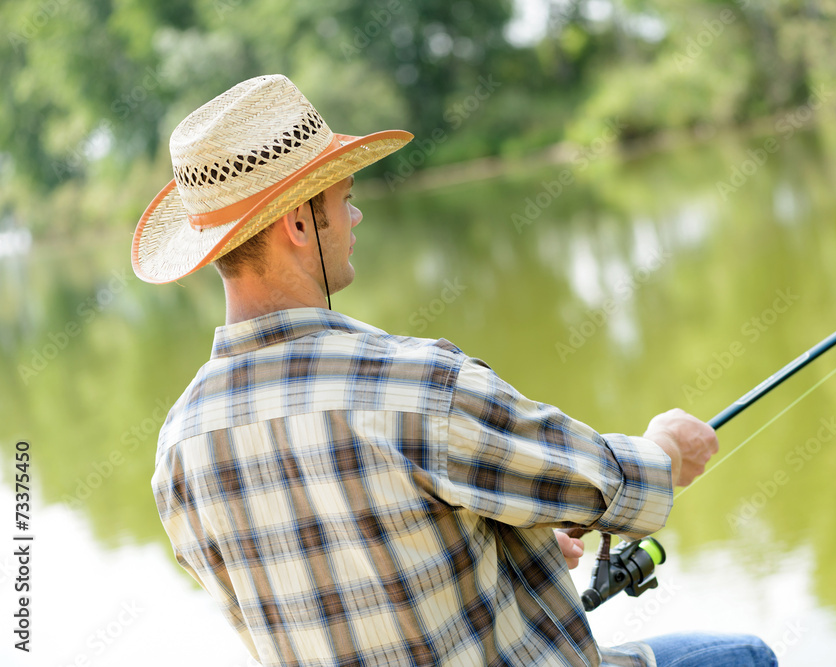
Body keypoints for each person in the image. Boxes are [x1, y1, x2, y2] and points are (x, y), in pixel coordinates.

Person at [134, 75, 776, 667]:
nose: (354, 218)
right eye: (345, 199)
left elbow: (341, 601)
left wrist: (505, 554)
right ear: (300, 222)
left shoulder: (177, 454)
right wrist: (666, 450)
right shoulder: (417, 386)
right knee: (744, 654)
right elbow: (607, 487)